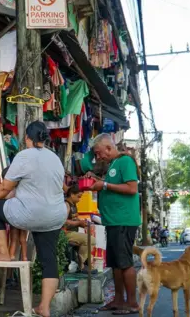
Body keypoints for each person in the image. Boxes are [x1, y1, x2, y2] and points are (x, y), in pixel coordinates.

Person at [0, 121, 67, 317]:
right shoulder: (55, 158)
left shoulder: (23, 156)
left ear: (27, 138)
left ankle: (4, 253)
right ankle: (44, 307)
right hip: (54, 215)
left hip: (29, 214)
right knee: (49, 259)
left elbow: (5, 188)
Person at [89, 133, 141, 315]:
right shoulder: (113, 165)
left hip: (123, 220)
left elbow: (132, 188)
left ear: (109, 148)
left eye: (98, 153)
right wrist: (98, 182)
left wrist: (103, 186)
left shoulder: (125, 162)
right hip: (113, 221)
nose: (98, 157)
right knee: (115, 262)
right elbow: (111, 186)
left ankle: (132, 302)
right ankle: (119, 299)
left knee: (125, 262)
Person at [2, 166, 29, 261]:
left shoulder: (8, 191)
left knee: (13, 238)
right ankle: (24, 257)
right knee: (22, 239)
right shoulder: (22, 190)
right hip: (23, 216)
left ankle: (11, 255)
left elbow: (5, 201)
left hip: (13, 217)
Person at [63, 185, 91, 271]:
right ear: (72, 194)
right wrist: (78, 223)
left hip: (73, 232)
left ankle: (81, 263)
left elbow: (73, 219)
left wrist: (81, 222)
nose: (80, 199)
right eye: (78, 197)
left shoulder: (74, 205)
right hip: (66, 233)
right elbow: (64, 222)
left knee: (90, 247)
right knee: (90, 240)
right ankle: (80, 264)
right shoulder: (66, 205)